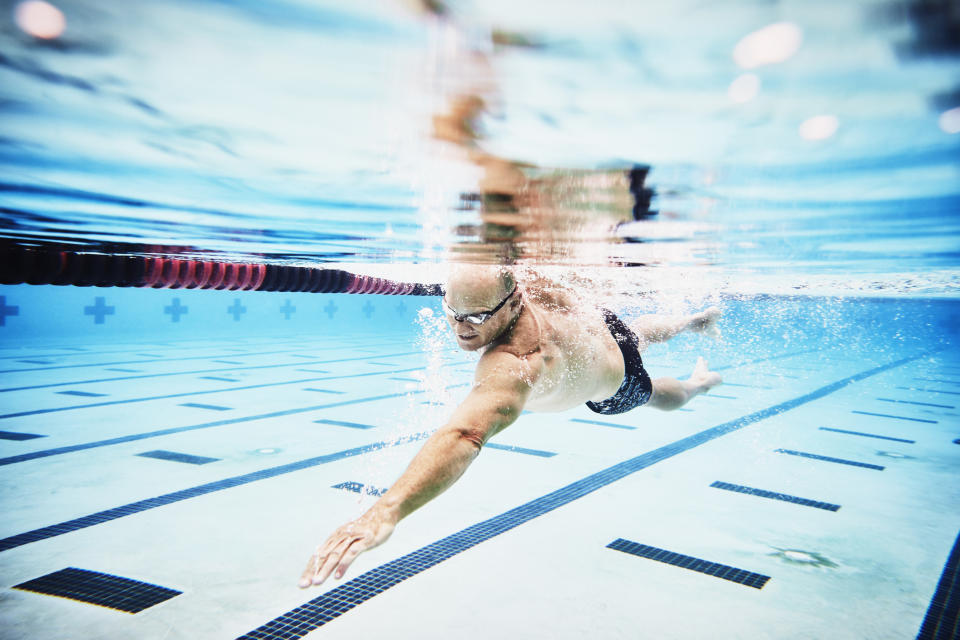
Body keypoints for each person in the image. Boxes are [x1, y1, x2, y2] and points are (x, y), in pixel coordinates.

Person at [298, 265, 722, 588]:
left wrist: (386, 510)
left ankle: (697, 384)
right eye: (452, 313)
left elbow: (465, 434)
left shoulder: (518, 361)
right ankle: (693, 321)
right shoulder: (522, 280)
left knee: (655, 394)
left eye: (478, 317)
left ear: (514, 302)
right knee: (638, 332)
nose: (462, 329)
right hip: (598, 326)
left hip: (611, 380)